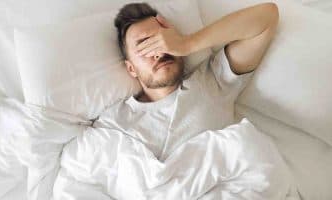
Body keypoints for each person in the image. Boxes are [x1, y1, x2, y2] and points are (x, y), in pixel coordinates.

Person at [93, 2, 279, 161]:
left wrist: (188, 43)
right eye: (145, 46)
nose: (159, 51)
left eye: (161, 39)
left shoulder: (212, 82)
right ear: (131, 68)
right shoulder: (114, 122)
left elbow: (267, 17)